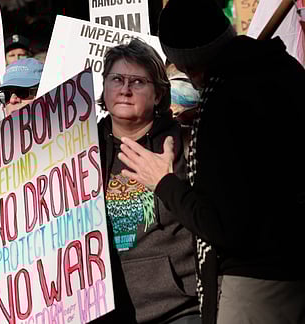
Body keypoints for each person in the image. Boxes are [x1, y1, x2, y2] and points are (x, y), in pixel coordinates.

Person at [117, 0, 305, 323]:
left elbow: (223, 226)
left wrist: (165, 184)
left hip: (257, 286)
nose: (126, 90)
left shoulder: (223, 106)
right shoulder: (285, 71)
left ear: (190, 67)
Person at [96, 39, 200, 323]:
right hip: (107, 310)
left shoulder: (185, 142)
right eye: (117, 79)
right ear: (104, 88)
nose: (125, 90)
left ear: (158, 94)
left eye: (138, 82)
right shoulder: (80, 151)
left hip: (180, 308)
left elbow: (209, 219)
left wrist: (169, 182)